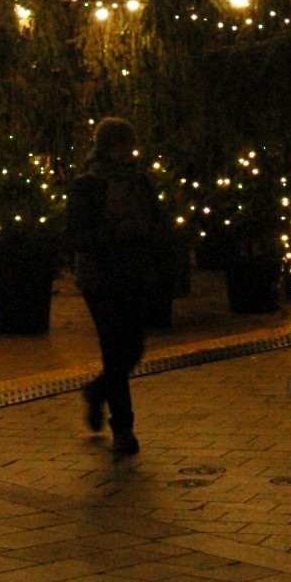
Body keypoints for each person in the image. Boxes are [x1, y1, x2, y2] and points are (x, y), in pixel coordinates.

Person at [67, 119, 171, 458]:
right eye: (122, 144)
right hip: (101, 277)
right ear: (108, 147)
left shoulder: (140, 182)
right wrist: (113, 234)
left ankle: (97, 392)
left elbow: (158, 223)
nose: (128, 151)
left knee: (132, 348)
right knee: (114, 349)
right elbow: (77, 235)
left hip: (134, 274)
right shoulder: (87, 185)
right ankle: (123, 428)